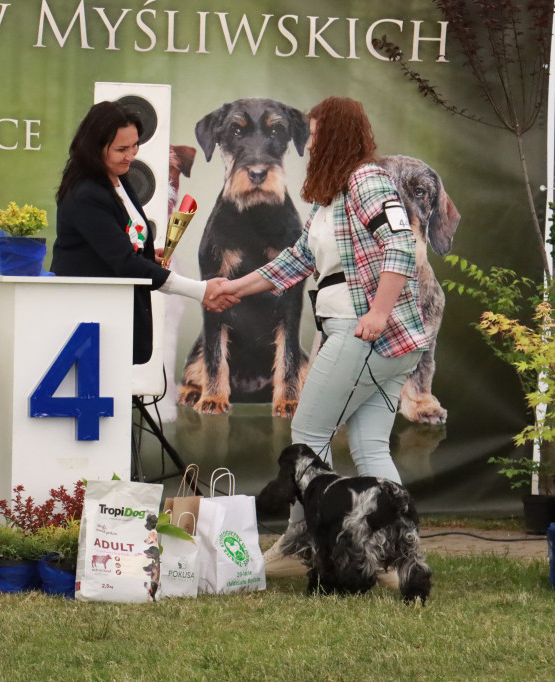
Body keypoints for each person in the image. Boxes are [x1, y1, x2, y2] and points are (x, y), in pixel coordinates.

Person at [212, 97, 429, 575]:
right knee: (371, 448)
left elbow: (401, 245)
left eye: (314, 135)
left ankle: (303, 546)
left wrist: (378, 312)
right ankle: (400, 560)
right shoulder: (332, 199)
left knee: (308, 436)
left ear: (336, 136)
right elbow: (295, 262)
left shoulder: (367, 181)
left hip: (366, 336)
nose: (307, 145)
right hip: (373, 340)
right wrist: (233, 288)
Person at [51, 101, 236, 364]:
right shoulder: (86, 194)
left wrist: (147, 256)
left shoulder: (119, 178)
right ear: (94, 147)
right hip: (88, 325)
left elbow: (123, 247)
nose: (131, 155)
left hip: (117, 319)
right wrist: (200, 290)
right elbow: (124, 263)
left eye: (135, 145)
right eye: (121, 149)